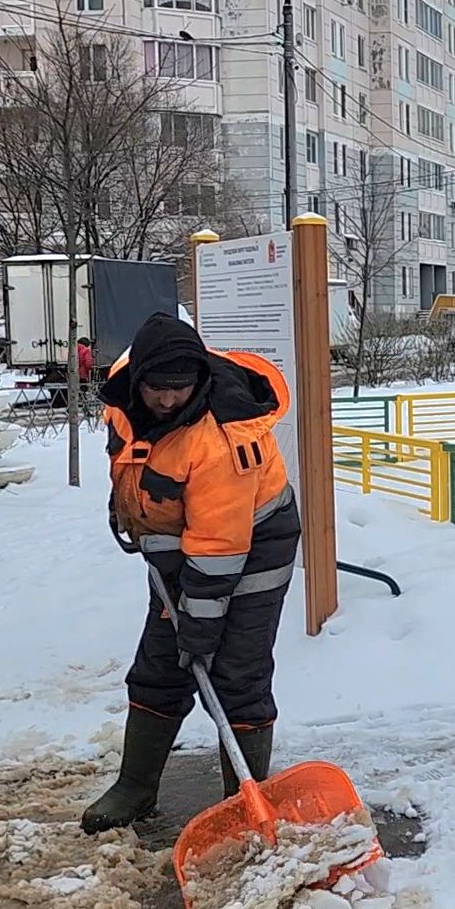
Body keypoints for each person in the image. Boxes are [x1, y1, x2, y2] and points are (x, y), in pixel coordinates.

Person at [82, 313, 300, 834]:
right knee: (160, 664)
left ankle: (243, 805)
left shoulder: (222, 442)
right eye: (158, 389)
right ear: (139, 380)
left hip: (253, 544)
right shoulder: (124, 396)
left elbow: (220, 548)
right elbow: (133, 459)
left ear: (198, 380)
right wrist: (128, 506)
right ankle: (135, 785)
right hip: (179, 543)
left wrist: (200, 627)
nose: (167, 401)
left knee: (236, 674)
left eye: (180, 391)